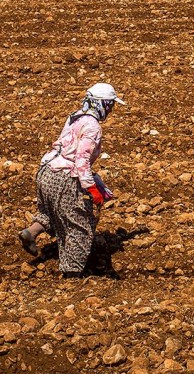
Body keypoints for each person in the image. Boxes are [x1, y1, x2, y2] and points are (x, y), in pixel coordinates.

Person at [18, 83, 124, 278]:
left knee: (53, 210)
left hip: (46, 172)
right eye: (110, 105)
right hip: (64, 178)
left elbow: (59, 144)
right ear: (102, 105)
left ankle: (31, 232)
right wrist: (92, 189)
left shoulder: (75, 116)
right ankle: (72, 274)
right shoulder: (92, 127)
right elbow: (81, 161)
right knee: (79, 225)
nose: (111, 110)